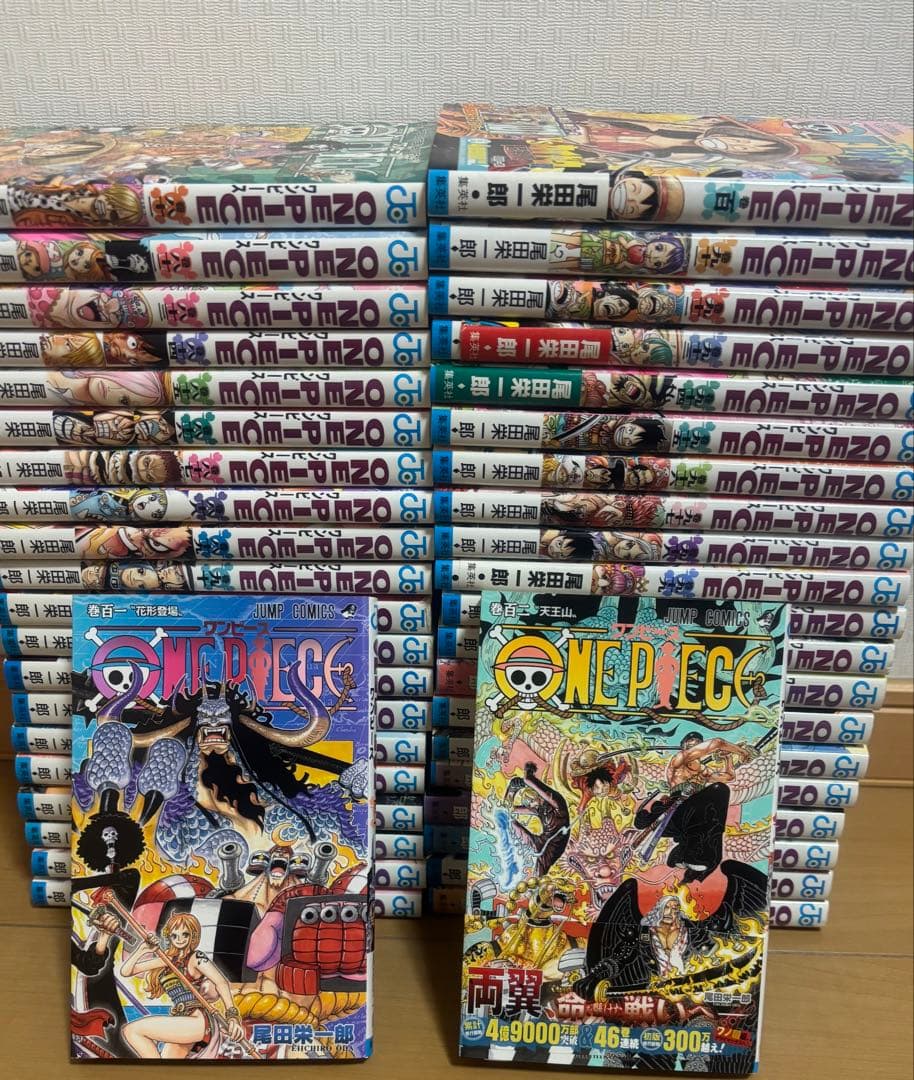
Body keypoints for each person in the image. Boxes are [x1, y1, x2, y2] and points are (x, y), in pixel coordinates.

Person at [120, 912, 245, 1059]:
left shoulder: (196, 958)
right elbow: (126, 971)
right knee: (166, 1066)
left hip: (197, 1021)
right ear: (169, 936)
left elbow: (221, 982)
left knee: (132, 1030)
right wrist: (142, 950)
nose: (179, 939)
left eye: (185, 934)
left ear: (193, 936)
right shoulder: (167, 960)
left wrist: (232, 1017)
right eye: (175, 935)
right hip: (181, 1020)